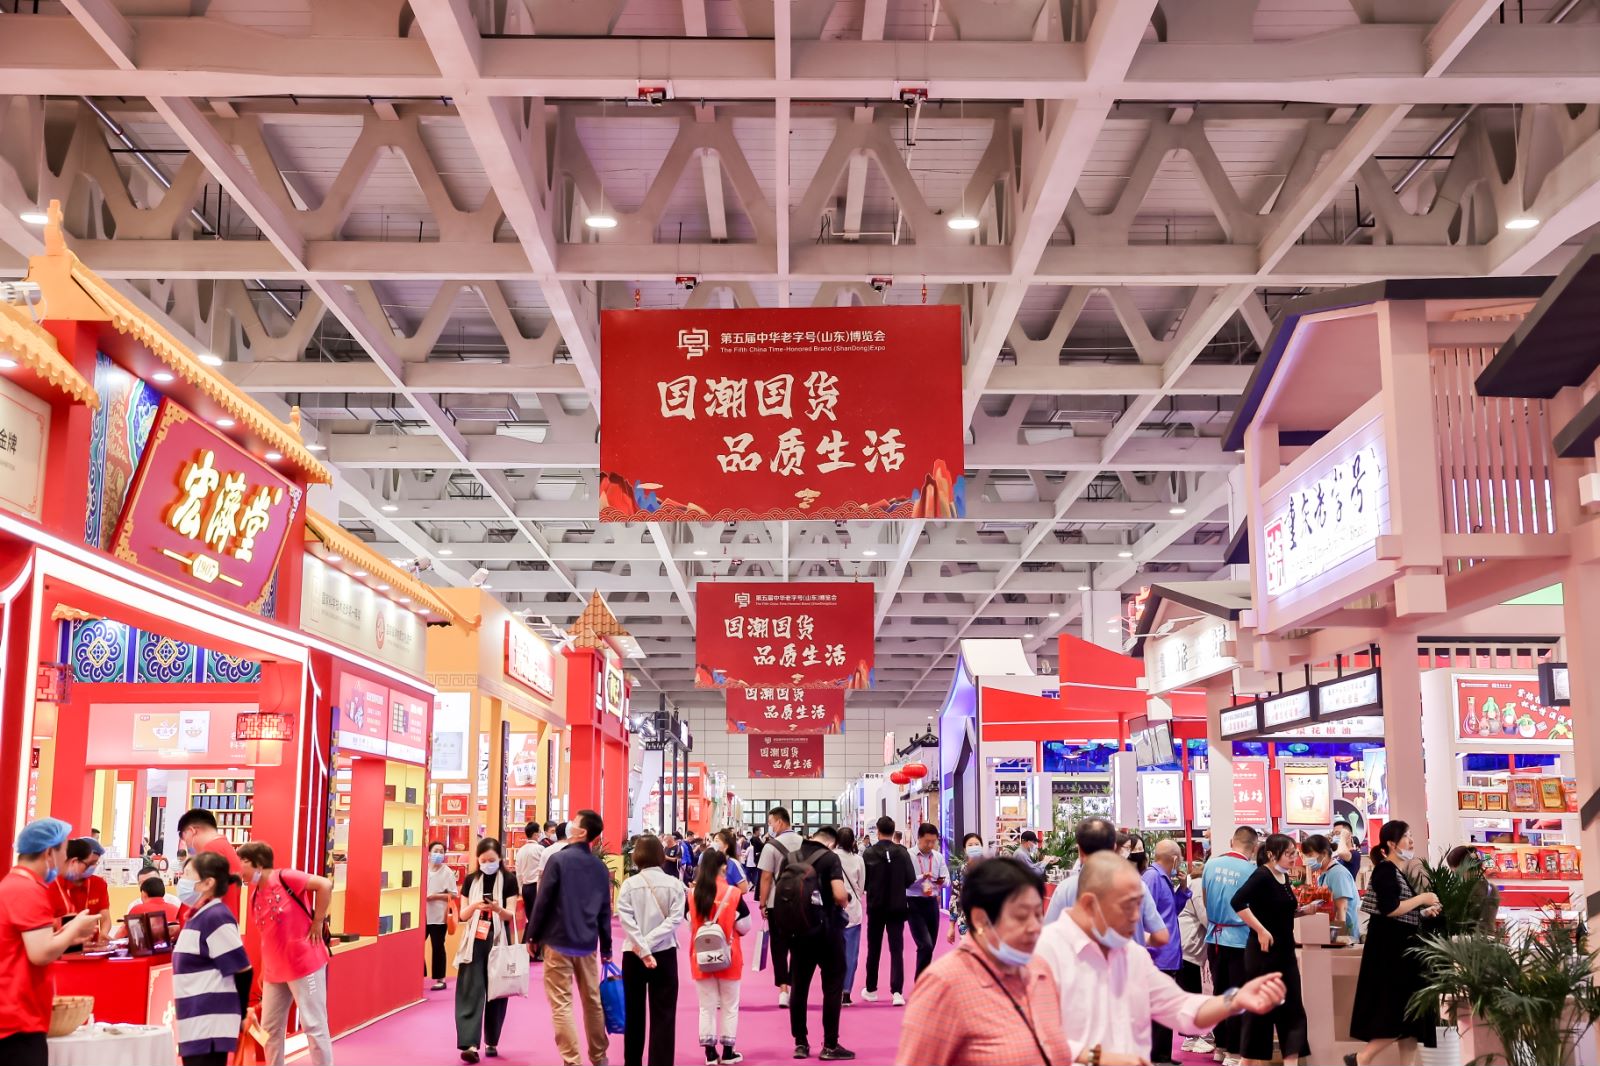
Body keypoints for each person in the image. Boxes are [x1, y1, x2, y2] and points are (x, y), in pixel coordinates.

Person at [1035, 853, 1289, 1065]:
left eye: (1139, 905)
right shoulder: (1045, 953)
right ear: (1090, 904)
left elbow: (1179, 1007)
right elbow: (1035, 1036)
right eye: (1127, 906)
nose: (1136, 917)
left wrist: (1235, 1000)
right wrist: (1099, 1058)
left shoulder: (1130, 954)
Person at [895, 856, 1073, 1066]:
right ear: (981, 919)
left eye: (1038, 914)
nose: (1035, 927)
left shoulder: (1040, 970)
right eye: (1021, 916)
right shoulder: (945, 985)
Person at [0, 818, 100, 1065]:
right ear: (48, 853)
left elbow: (27, 945)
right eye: (63, 854)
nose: (65, 861)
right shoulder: (27, 889)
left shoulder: (13, 884)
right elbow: (41, 952)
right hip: (17, 1019)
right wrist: (74, 927)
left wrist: (67, 935)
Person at [1347, 821, 1441, 1066]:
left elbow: (1398, 913)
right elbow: (1390, 909)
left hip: (1400, 953)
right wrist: (1422, 899)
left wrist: (1422, 913)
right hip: (1391, 956)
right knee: (1397, 1015)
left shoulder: (1395, 871)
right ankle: (1362, 1058)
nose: (1411, 841)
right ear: (1391, 843)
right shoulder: (1385, 871)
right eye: (1406, 836)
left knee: (1410, 1020)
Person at [236, 841, 334, 1066]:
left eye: (241, 862)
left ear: (257, 863)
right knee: (269, 1028)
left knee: (314, 1024)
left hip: (304, 963)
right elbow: (267, 936)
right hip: (275, 971)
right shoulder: (254, 895)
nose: (238, 869)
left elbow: (325, 884)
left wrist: (318, 921)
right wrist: (264, 970)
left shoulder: (285, 877)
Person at [529, 809, 613, 1066]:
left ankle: (572, 1061)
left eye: (574, 822)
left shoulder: (558, 860)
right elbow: (604, 910)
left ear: (582, 831)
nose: (570, 824)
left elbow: (543, 901)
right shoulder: (600, 867)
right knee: (592, 1001)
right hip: (587, 943)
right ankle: (599, 1057)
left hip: (557, 940)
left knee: (562, 1004)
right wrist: (606, 947)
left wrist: (533, 936)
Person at [1230, 833, 1312, 1066]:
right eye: (1289, 854)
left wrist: (1303, 911)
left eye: (1294, 853)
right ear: (1271, 854)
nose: (1294, 858)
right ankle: (1246, 1061)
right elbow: (1237, 902)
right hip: (1263, 954)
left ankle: (1291, 1062)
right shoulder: (1262, 875)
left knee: (1293, 1010)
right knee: (1260, 1010)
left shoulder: (1283, 876)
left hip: (1285, 951)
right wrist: (1260, 930)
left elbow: (1278, 911)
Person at [773, 825, 853, 1060]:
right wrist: (845, 899)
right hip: (827, 933)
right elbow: (839, 895)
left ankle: (800, 1043)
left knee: (799, 987)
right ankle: (830, 1045)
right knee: (833, 986)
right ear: (831, 843)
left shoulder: (790, 858)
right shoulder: (830, 858)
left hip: (798, 932)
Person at [172, 851, 252, 1066]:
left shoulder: (215, 916)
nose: (182, 879)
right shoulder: (199, 915)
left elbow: (243, 969)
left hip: (209, 1025)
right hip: (196, 1022)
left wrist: (242, 1013)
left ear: (208, 883)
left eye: (188, 874)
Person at [1043, 818, 1168, 950]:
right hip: (1129, 960)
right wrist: (1140, 940)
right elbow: (1161, 936)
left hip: (1079, 961)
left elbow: (1048, 936)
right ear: (1114, 847)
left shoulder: (1066, 888)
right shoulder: (1137, 885)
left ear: (1080, 851)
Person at [615, 835, 685, 1066]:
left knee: (634, 1013)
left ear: (637, 856)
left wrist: (643, 948)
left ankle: (632, 1062)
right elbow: (675, 920)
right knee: (664, 1015)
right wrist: (650, 944)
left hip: (633, 954)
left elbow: (626, 920)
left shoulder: (629, 884)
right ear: (660, 855)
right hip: (664, 953)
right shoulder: (674, 884)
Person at [451, 839, 517, 1063]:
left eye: (492, 860)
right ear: (477, 860)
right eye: (483, 860)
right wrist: (475, 905)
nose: (488, 864)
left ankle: (492, 1040)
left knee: (497, 990)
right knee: (470, 989)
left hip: (499, 938)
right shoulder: (471, 880)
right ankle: (469, 1043)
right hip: (474, 940)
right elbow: (463, 915)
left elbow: (511, 915)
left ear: (500, 858)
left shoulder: (509, 880)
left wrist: (497, 908)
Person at [1202, 826, 1260, 1066]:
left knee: (1219, 992)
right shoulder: (1252, 871)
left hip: (1215, 937)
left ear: (1231, 841)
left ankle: (1221, 1046)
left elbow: (1206, 900)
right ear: (1254, 847)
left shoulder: (1211, 864)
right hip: (1240, 940)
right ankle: (1235, 1052)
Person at [687, 848, 750, 1064]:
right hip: (729, 956)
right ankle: (728, 1052)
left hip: (701, 957)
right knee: (730, 1006)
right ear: (723, 867)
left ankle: (710, 1054)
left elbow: (690, 926)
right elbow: (745, 926)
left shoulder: (692, 894)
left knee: (706, 1007)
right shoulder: (733, 894)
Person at [861, 814, 916, 1005]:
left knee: (873, 948)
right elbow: (910, 879)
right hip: (897, 906)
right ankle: (897, 992)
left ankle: (871, 989)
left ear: (877, 831)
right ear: (893, 832)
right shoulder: (902, 852)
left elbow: (864, 882)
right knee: (896, 949)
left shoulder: (868, 853)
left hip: (876, 906)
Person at [756, 806, 806, 1007]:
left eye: (771, 823)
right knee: (799, 946)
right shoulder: (804, 843)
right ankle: (795, 985)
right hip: (801, 901)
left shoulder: (771, 846)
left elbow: (766, 877)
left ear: (779, 821)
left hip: (776, 902)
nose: (770, 826)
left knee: (779, 946)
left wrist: (762, 903)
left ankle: (783, 989)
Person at [1145, 839, 1188, 1065]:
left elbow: (1171, 911)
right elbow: (1144, 914)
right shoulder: (1152, 878)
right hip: (1158, 954)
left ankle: (1162, 1055)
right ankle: (1157, 1056)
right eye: (1179, 858)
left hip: (1167, 953)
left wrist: (1183, 889)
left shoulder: (1163, 879)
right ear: (1174, 859)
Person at [1176, 860, 1216, 1057]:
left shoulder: (1193, 884)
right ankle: (1192, 1037)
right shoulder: (1198, 887)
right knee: (1191, 992)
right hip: (1188, 949)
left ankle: (1192, 1035)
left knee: (1189, 992)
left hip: (1186, 947)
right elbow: (1206, 918)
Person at [177, 808, 244, 917]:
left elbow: (201, 896)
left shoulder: (210, 852)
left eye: (185, 839)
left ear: (192, 831)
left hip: (212, 921)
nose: (187, 845)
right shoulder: (225, 847)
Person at [906, 822, 947, 982]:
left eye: (933, 842)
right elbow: (905, 881)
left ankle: (922, 981)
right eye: (927, 842)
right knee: (925, 945)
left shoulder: (938, 857)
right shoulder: (908, 855)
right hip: (913, 902)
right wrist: (921, 878)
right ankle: (920, 982)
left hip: (931, 903)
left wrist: (939, 881)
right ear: (919, 838)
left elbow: (947, 880)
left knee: (930, 946)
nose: (930, 845)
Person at [1300, 834, 1361, 942]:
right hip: (1331, 935)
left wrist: (1340, 936)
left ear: (1324, 853)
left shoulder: (1338, 874)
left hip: (1345, 937)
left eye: (1310, 855)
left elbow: (1341, 908)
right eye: (1305, 856)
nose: (1307, 860)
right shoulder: (1324, 875)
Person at [53, 836, 111, 940]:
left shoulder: (99, 884)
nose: (93, 867)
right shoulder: (52, 884)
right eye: (89, 863)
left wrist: (103, 933)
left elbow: (105, 917)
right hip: (60, 944)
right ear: (74, 861)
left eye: (95, 863)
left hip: (91, 944)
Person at [834, 827, 866, 1006]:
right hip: (853, 910)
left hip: (833, 910)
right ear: (853, 841)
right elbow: (861, 886)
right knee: (851, 954)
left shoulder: (830, 857)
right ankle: (846, 992)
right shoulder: (858, 860)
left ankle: (834, 989)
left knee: (832, 953)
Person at [1444, 844, 1500, 933]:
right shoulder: (1491, 888)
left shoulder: (1462, 890)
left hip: (1466, 940)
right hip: (1486, 938)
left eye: (1456, 872)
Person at [426, 841, 459, 992]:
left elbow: (453, 894)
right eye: (435, 851)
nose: (438, 854)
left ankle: (440, 978)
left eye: (441, 851)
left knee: (438, 946)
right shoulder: (423, 869)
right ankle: (420, 973)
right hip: (421, 916)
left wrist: (436, 896)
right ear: (429, 853)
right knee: (416, 945)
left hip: (439, 916)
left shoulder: (447, 872)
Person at [946, 833, 985, 942]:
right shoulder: (959, 870)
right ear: (965, 849)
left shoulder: (990, 868)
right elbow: (955, 897)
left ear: (981, 846)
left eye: (977, 844)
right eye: (970, 845)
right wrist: (951, 927)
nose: (974, 847)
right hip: (965, 920)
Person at [515, 820, 547, 934]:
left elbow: (518, 872)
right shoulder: (540, 849)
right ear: (535, 834)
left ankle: (530, 938)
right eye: (540, 832)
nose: (541, 834)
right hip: (536, 887)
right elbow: (544, 869)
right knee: (539, 916)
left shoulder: (520, 851)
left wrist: (520, 889)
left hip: (525, 888)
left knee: (530, 917)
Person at [714, 829, 749, 894]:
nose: (713, 844)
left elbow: (744, 889)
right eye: (713, 841)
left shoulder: (733, 864)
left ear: (726, 846)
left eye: (716, 841)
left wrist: (725, 894)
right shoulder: (709, 862)